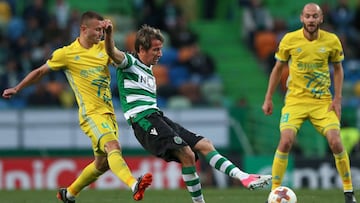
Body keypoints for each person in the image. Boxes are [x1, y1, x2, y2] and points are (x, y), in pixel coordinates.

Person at [103, 21, 272, 203]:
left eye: (161, 49)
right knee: (187, 154)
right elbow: (112, 52)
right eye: (156, 50)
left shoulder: (149, 69)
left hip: (157, 117)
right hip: (144, 121)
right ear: (142, 48)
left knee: (205, 144)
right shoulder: (129, 62)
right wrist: (109, 33)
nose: (160, 54)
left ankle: (244, 177)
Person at [2, 11, 152, 203]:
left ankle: (69, 193)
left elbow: (117, 57)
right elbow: (40, 72)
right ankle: (134, 184)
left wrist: (111, 35)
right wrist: (17, 88)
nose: (100, 33)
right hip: (91, 114)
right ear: (83, 29)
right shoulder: (66, 54)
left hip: (108, 113)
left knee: (103, 163)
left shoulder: (103, 48)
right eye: (97, 30)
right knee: (113, 147)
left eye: (102, 30)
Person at [262, 3, 357, 203]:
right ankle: (275, 193)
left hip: (322, 102)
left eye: (315, 16)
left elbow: (339, 70)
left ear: (321, 19)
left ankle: (349, 193)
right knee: (286, 141)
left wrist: (338, 99)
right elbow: (278, 68)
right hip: (295, 101)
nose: (311, 20)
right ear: (302, 18)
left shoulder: (332, 41)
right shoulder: (289, 39)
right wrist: (268, 98)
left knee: (336, 141)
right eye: (308, 16)